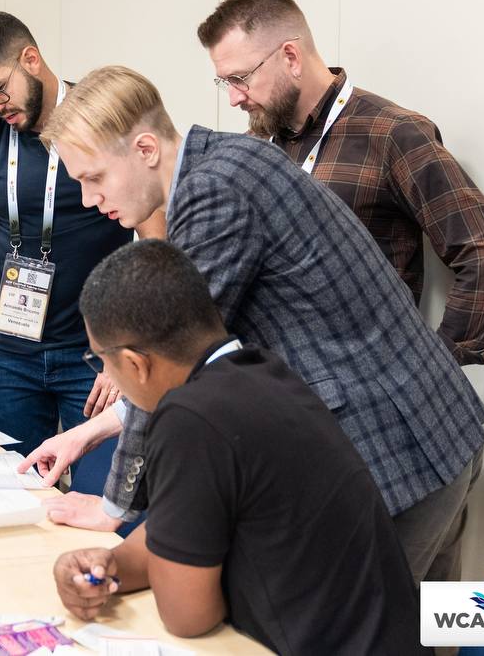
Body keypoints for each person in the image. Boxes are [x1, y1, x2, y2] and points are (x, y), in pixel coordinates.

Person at [28, 65, 484, 586]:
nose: (89, 199)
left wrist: (113, 506)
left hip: (394, 456)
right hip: (436, 430)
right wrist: (89, 432)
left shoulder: (213, 194)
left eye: (94, 178)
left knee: (366, 625)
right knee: (429, 624)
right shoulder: (231, 159)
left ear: (145, 149)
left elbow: (168, 362)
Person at [52, 239, 424, 655]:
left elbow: (188, 616)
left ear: (136, 363)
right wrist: (111, 565)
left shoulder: (190, 417)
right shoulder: (261, 372)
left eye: (102, 361)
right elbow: (178, 532)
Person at [198, 0, 484, 369]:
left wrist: (434, 372)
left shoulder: (392, 135)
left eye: (241, 78)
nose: (234, 98)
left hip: (362, 392)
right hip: (272, 387)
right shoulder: (254, 147)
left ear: (291, 57)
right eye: (226, 82)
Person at [0, 12, 136, 451]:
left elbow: (157, 240)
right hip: (7, 358)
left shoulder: (105, 123)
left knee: (100, 487)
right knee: (11, 481)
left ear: (30, 59)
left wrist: (130, 347)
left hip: (97, 355)